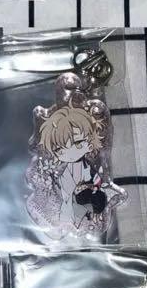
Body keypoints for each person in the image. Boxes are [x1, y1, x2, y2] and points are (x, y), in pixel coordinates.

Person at [25, 99, 121, 233]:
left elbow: (96, 181)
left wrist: (90, 187)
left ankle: (83, 216)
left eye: (77, 143)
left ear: (89, 143)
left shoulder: (87, 166)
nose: (69, 151)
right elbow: (62, 186)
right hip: (69, 204)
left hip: (83, 201)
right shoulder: (63, 168)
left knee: (88, 201)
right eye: (59, 149)